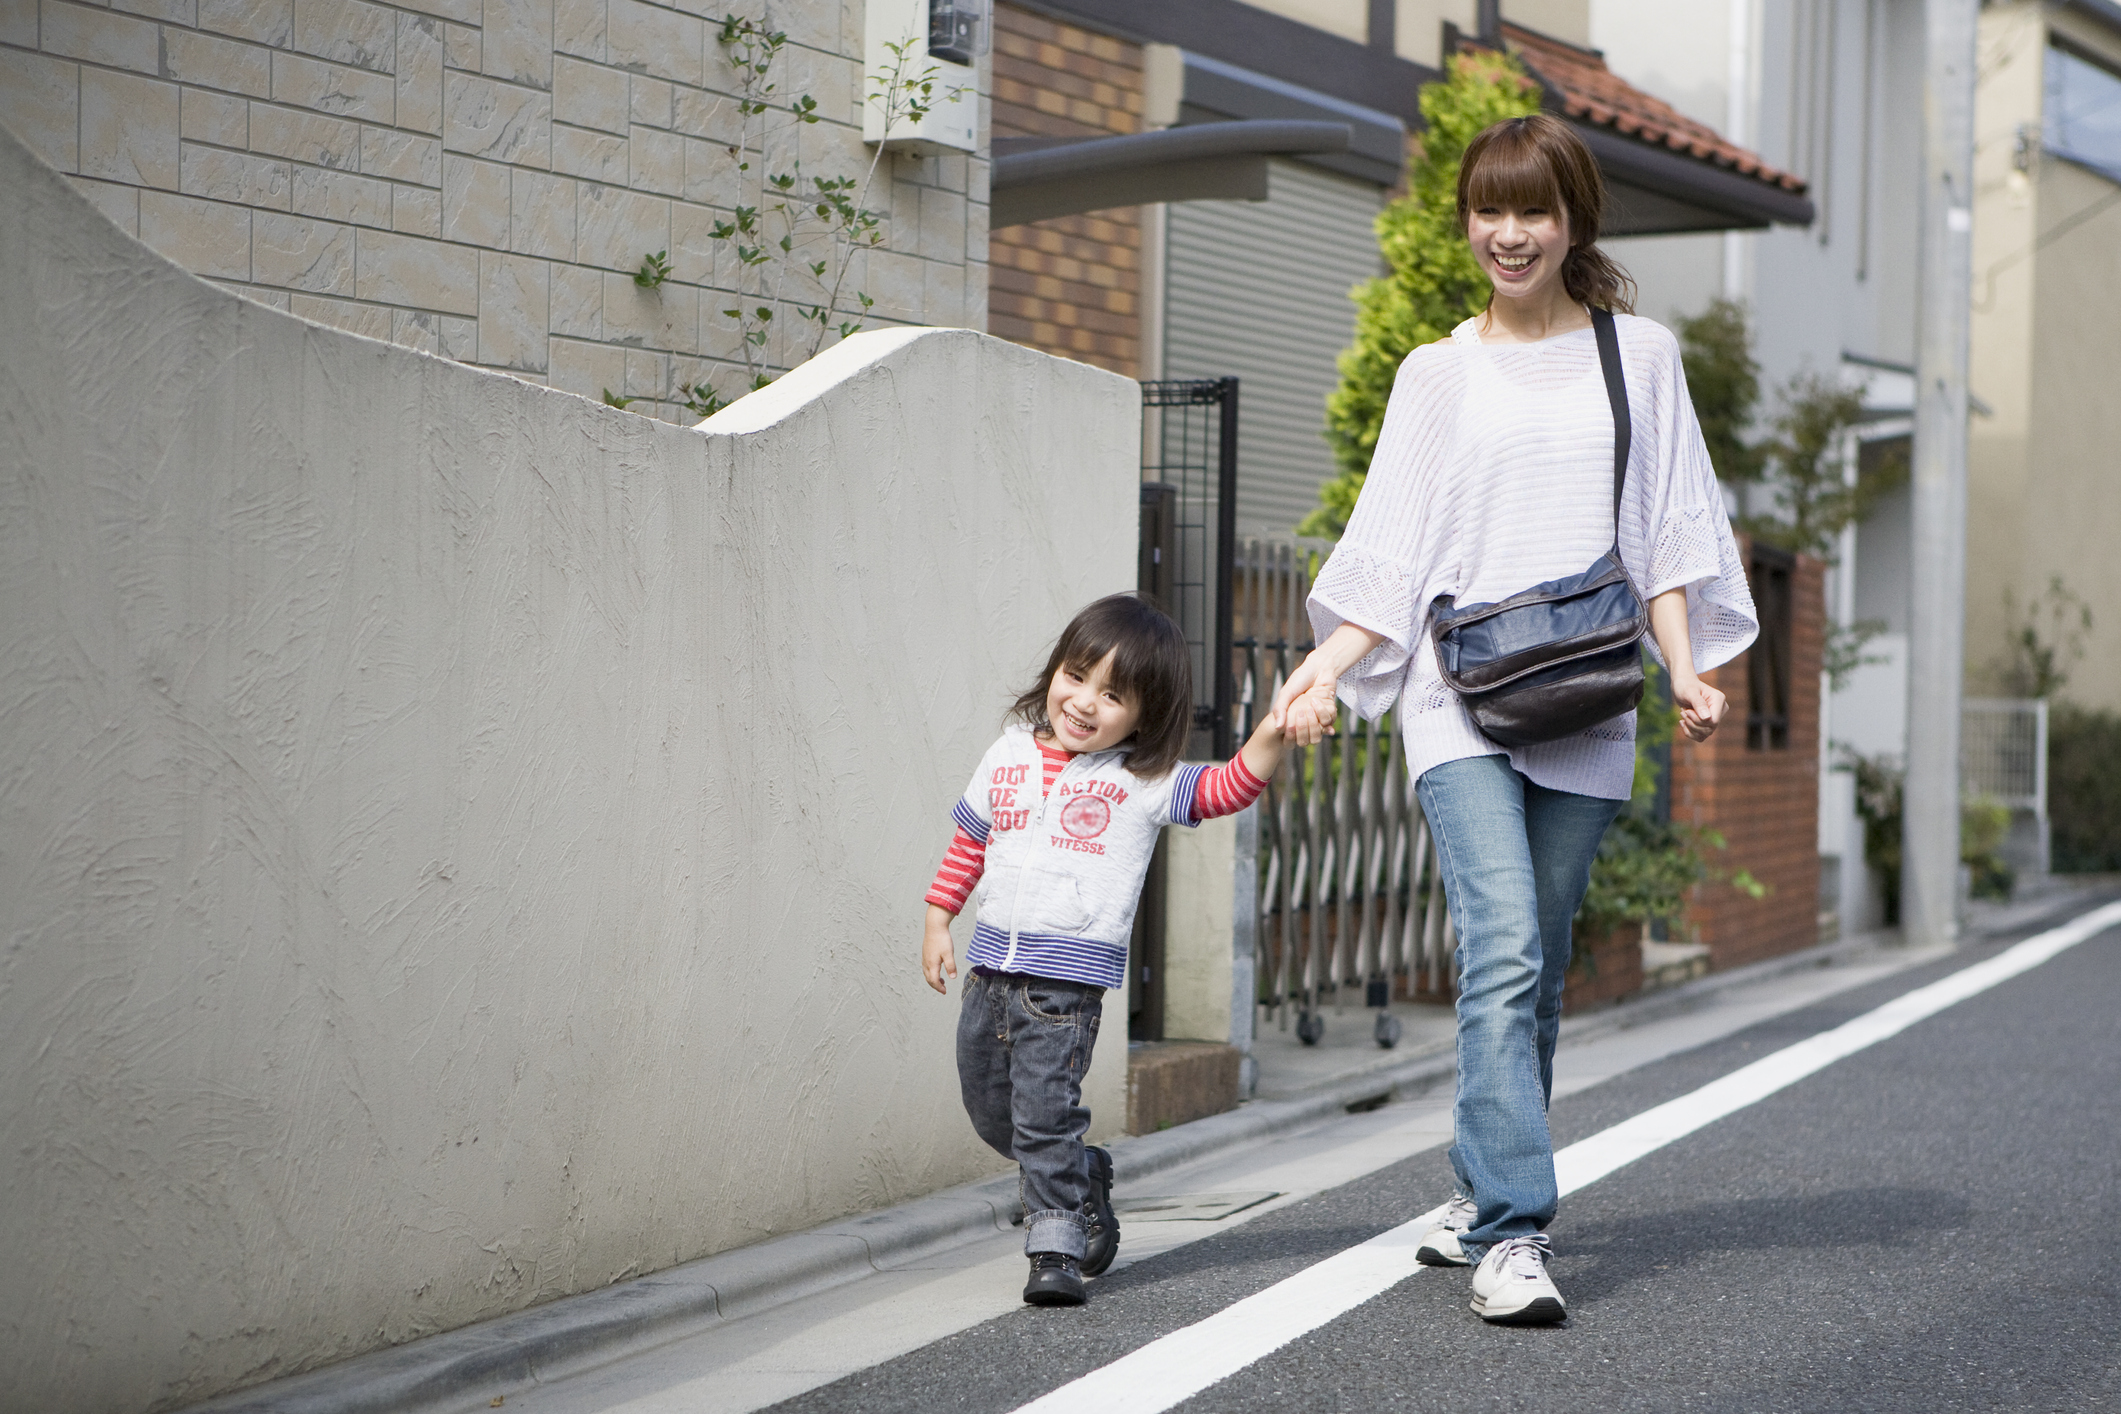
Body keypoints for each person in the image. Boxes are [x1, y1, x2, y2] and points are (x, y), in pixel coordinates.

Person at [1270, 113, 1759, 1325]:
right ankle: (1510, 1230)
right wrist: (1326, 665)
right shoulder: (1438, 372)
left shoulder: (1636, 356)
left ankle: (1474, 1186)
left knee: (1532, 973)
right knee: (1501, 947)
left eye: (1533, 209)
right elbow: (1391, 545)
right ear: (1468, 223)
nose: (1509, 232)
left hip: (1588, 699)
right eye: (1489, 209)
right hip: (1461, 700)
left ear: (1574, 219)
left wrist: (1688, 666)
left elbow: (1669, 524)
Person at [922, 593, 1291, 1306]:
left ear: (1143, 715)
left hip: (1062, 990)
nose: (1085, 702)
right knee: (993, 1114)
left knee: (1042, 1116)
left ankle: (1054, 1245)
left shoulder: (1140, 780)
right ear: (1055, 670)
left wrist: (1272, 731)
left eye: (1113, 694)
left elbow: (1228, 787)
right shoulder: (1007, 753)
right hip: (989, 972)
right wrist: (938, 920)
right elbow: (971, 840)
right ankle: (1081, 1172)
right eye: (1076, 675)